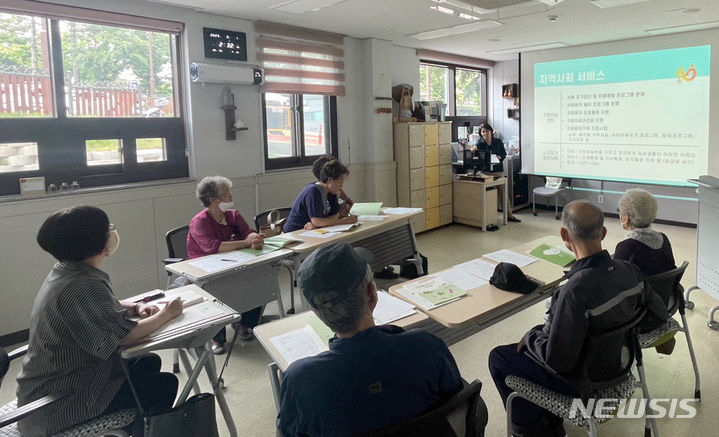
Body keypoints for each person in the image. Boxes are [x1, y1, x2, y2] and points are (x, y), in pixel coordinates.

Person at [488, 200, 667, 437]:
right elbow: (658, 310)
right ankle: (549, 425)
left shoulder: (574, 292)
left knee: (499, 358)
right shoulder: (630, 271)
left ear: (564, 234)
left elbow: (558, 362)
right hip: (619, 367)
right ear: (603, 233)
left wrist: (532, 337)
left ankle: (535, 432)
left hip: (584, 381)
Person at [16, 206, 182, 436]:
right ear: (94, 243)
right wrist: (167, 314)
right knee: (163, 385)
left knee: (147, 361)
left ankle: (135, 427)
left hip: (49, 388)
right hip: (57, 404)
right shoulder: (83, 285)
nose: (112, 232)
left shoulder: (67, 271)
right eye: (108, 229)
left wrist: (136, 307)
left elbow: (102, 303)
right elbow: (124, 337)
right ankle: (142, 429)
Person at [276, 243, 465, 437]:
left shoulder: (301, 381)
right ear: (372, 294)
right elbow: (457, 403)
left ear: (316, 312)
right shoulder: (427, 346)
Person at [187, 175, 264, 353]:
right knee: (216, 289)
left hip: (234, 264)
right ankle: (217, 338)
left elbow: (248, 232)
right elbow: (213, 247)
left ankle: (245, 324)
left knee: (255, 279)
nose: (230, 196)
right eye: (226, 194)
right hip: (206, 271)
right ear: (214, 199)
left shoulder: (233, 215)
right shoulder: (200, 221)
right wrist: (246, 243)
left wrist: (254, 238)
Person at [284, 159, 358, 233]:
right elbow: (317, 221)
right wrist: (343, 221)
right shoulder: (313, 191)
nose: (341, 186)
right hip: (296, 231)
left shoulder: (332, 192)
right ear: (330, 180)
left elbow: (335, 215)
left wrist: (319, 224)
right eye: (340, 182)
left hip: (313, 230)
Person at [615, 188, 676, 276]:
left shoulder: (626, 247)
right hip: (664, 289)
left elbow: (615, 280)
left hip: (642, 289)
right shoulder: (663, 239)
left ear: (625, 218)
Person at [471, 122, 521, 222]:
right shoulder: (480, 144)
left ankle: (509, 215)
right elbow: (474, 152)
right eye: (483, 132)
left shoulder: (498, 142)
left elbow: (503, 154)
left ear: (491, 132)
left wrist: (499, 157)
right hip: (486, 173)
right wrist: (473, 149)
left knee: (503, 194)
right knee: (489, 195)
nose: (485, 134)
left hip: (498, 171)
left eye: (486, 131)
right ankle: (489, 217)